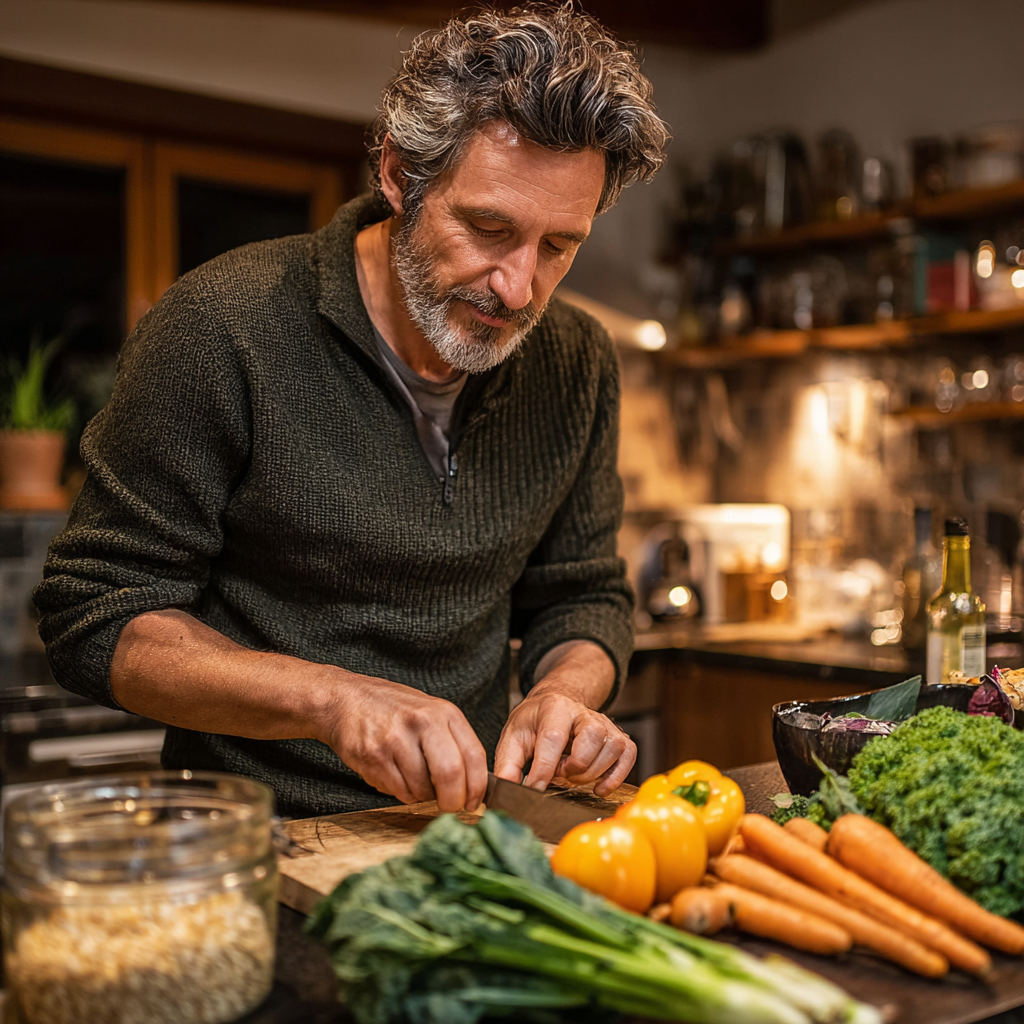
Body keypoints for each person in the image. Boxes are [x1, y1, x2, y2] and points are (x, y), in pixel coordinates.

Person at [34, 3, 669, 819]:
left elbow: (582, 597)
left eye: (558, 247)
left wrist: (565, 694)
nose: (517, 289)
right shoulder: (221, 326)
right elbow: (94, 616)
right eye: (487, 226)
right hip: (257, 834)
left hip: (468, 832)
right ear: (400, 176)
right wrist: (331, 701)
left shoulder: (577, 361)